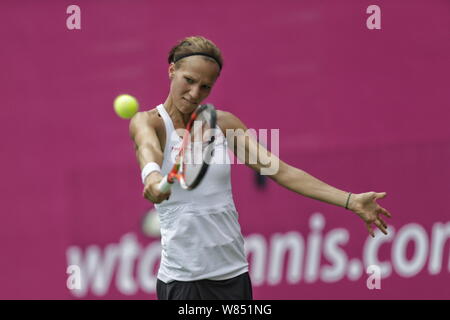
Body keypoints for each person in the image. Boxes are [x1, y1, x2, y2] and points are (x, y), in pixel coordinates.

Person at [129, 36, 392, 300]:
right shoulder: (149, 122)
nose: (195, 93)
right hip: (184, 283)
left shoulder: (223, 124)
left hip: (233, 278)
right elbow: (147, 148)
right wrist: (152, 176)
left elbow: (280, 171)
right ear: (172, 70)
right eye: (189, 80)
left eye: (205, 86)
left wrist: (351, 200)